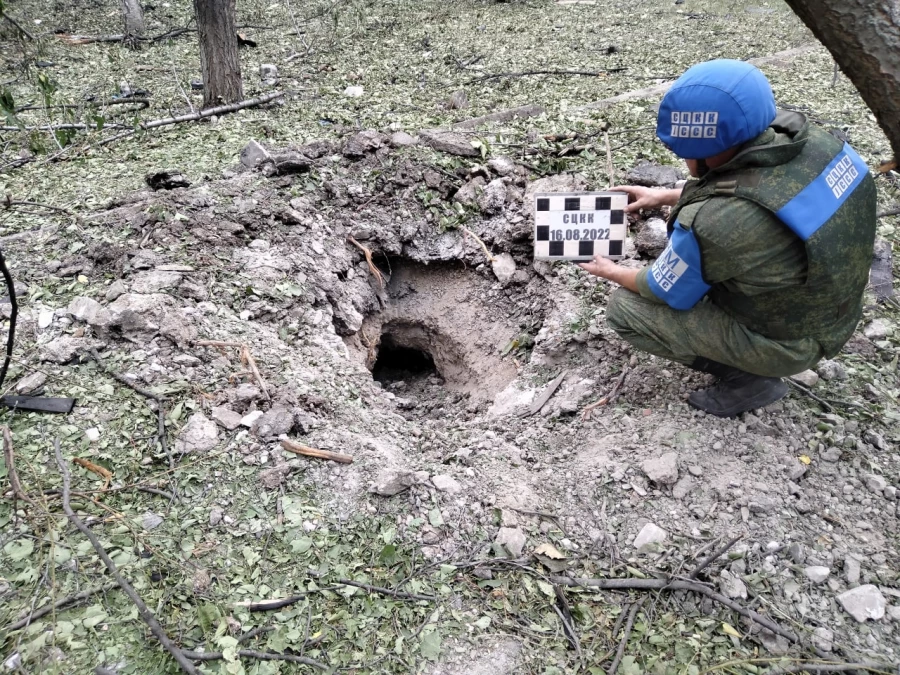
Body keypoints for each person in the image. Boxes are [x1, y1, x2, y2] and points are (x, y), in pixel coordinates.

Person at [578, 59, 876, 418]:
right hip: (835, 312)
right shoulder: (819, 145)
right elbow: (767, 188)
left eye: (685, 153)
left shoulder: (714, 225)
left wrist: (609, 269)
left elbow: (661, 288)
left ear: (705, 152)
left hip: (791, 342)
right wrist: (664, 194)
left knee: (625, 310)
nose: (684, 159)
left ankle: (752, 379)